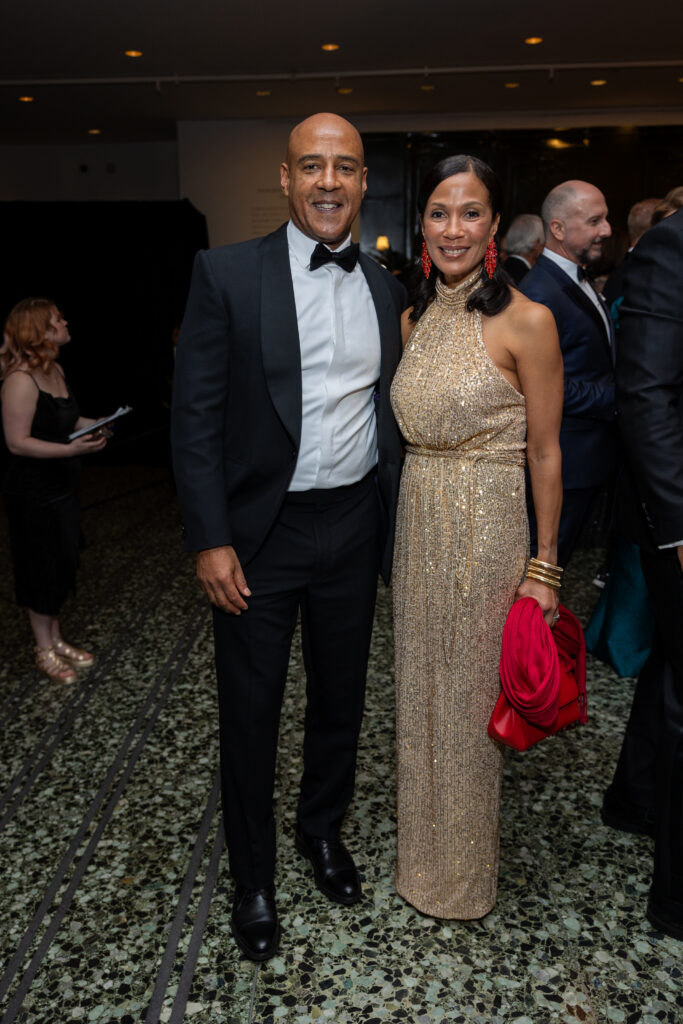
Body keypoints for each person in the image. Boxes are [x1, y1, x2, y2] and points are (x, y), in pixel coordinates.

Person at [171, 113, 405, 961]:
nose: (329, 182)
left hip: (351, 523)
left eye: (344, 167)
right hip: (258, 537)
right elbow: (193, 420)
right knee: (250, 713)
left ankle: (321, 833)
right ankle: (254, 879)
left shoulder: (382, 283)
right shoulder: (225, 273)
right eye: (312, 166)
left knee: (341, 701)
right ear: (284, 177)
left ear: (364, 179)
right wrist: (210, 538)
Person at [391, 155, 563, 919]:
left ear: (493, 224)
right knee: (418, 693)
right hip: (417, 517)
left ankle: (461, 881)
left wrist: (544, 567)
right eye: (437, 212)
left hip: (488, 523)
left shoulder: (526, 319)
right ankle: (418, 862)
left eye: (469, 213)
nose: (451, 228)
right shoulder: (413, 316)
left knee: (466, 708)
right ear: (420, 225)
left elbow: (546, 451)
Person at [601, 207, 683, 941]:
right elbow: (644, 395)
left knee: (667, 666)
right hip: (674, 517)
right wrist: (679, 520)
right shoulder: (672, 244)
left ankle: (634, 799)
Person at [1, 298, 108, 682]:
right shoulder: (19, 379)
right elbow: (17, 442)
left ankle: (56, 638)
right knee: (39, 568)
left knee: (61, 563)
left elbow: (65, 417)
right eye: (56, 319)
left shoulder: (55, 370)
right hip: (33, 492)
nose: (65, 321)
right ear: (39, 331)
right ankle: (42, 648)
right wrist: (71, 448)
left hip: (62, 486)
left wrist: (96, 423)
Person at [520, 180, 616, 568]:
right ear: (557, 229)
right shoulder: (539, 292)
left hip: (586, 460)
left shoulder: (575, 276)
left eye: (605, 218)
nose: (607, 230)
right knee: (541, 574)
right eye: (595, 221)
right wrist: (620, 396)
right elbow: (541, 386)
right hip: (563, 465)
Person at [501, 213, 544, 285]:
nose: (544, 249)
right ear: (536, 244)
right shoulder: (529, 279)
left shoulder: (498, 271)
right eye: (543, 244)